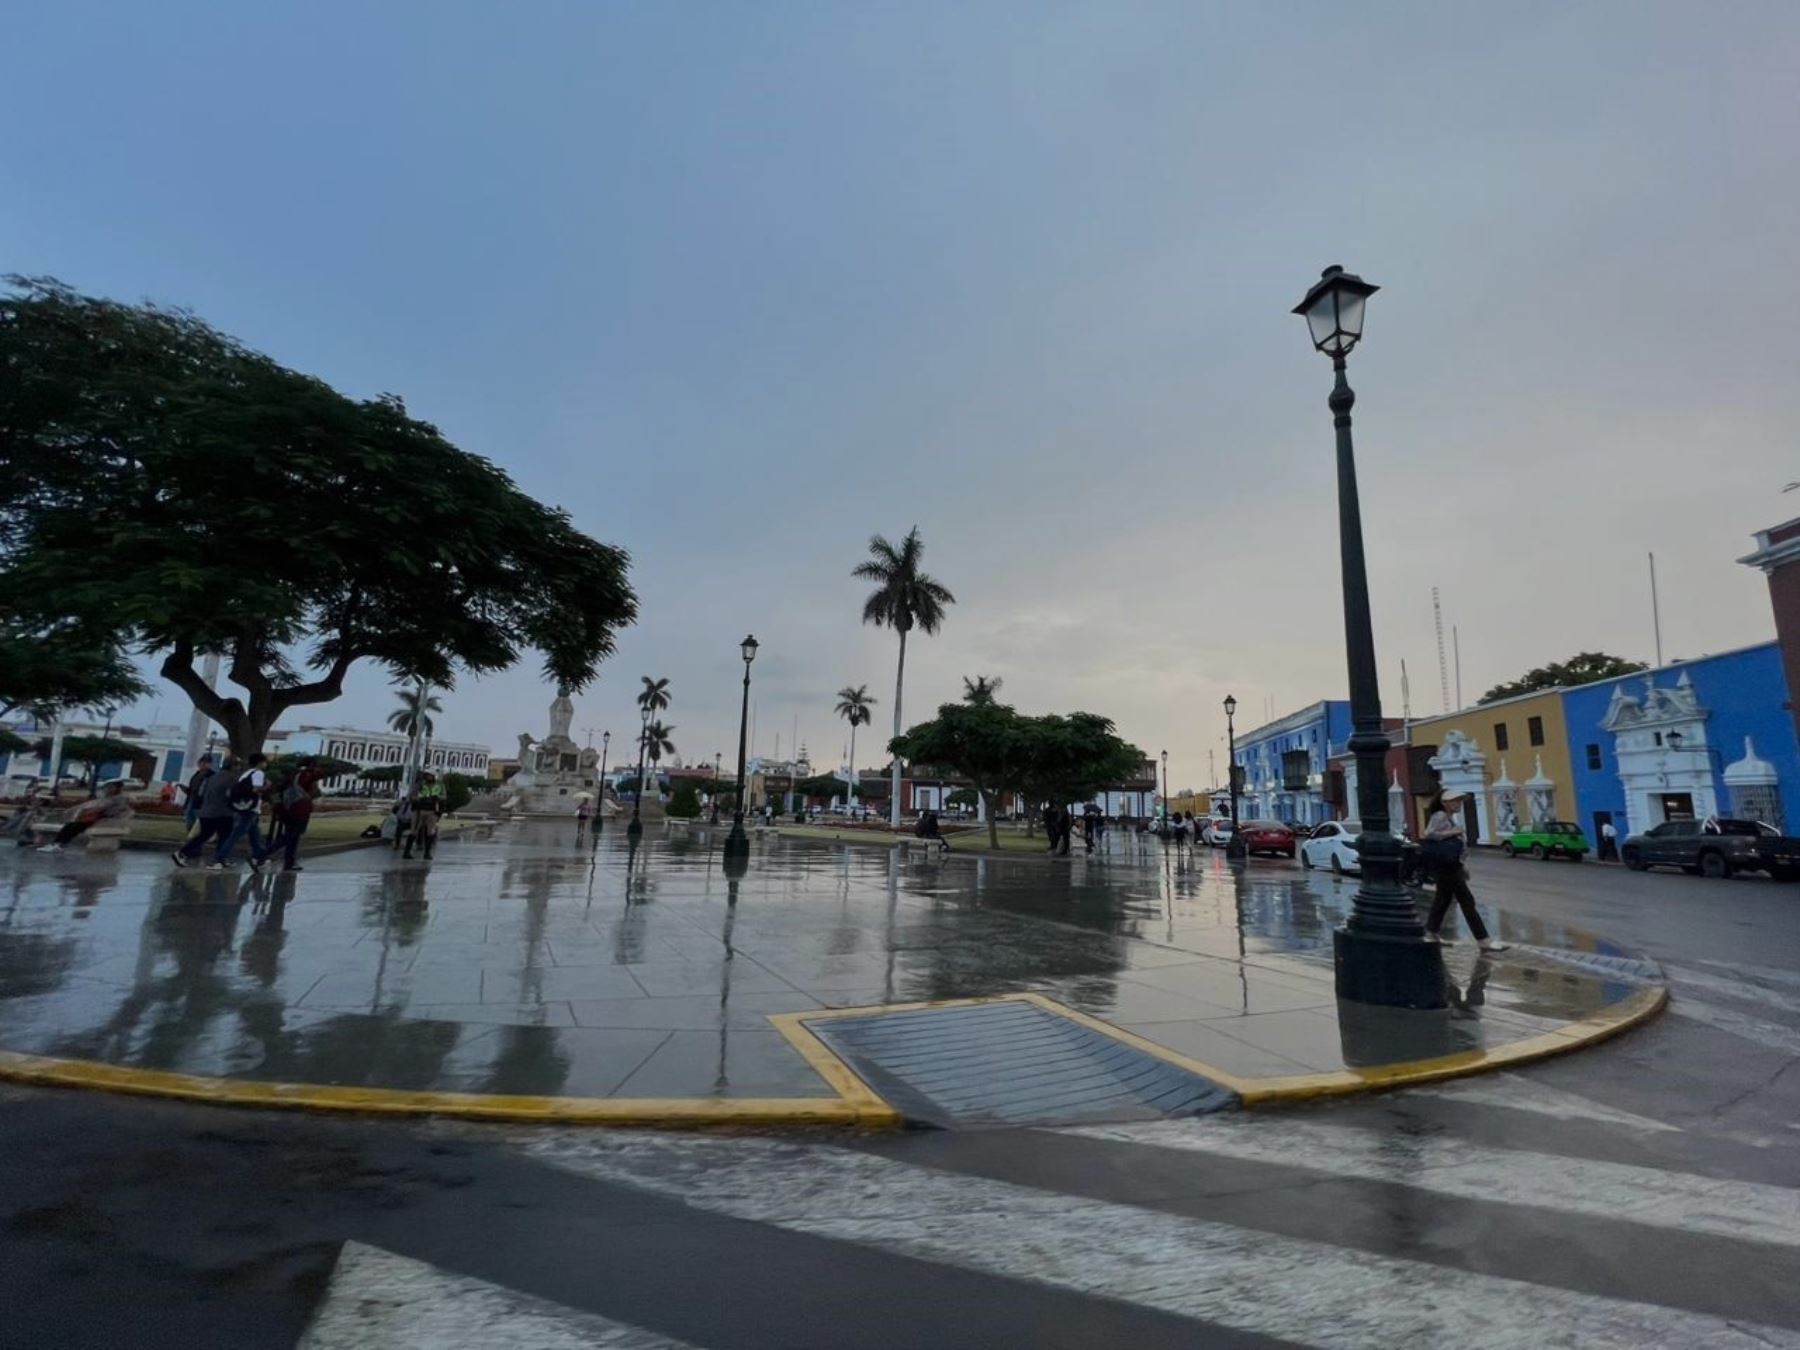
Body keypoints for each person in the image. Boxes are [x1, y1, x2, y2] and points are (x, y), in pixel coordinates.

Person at [1421, 790, 1509, 952]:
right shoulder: (1440, 815)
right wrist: (1456, 832)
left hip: (1450, 866)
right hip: (1447, 867)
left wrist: (1462, 866)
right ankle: (1483, 940)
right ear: (1445, 803)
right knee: (1467, 901)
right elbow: (1429, 834)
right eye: (1455, 801)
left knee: (1443, 899)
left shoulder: (1447, 817)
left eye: (1459, 801)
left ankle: (1431, 933)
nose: (1458, 804)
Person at [174, 756, 241, 868]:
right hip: (223, 811)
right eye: (237, 765)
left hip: (207, 811)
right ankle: (220, 859)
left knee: (204, 835)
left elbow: (201, 793)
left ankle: (182, 852)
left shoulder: (212, 777)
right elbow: (231, 795)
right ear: (233, 766)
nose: (239, 768)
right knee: (225, 835)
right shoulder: (232, 778)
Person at [213, 752, 273, 871]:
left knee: (254, 834)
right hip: (251, 808)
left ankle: (260, 857)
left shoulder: (246, 773)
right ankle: (220, 858)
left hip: (243, 806)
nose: (266, 764)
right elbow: (256, 789)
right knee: (236, 834)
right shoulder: (259, 773)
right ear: (260, 762)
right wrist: (267, 786)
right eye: (264, 762)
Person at [36, 782, 133, 851]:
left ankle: (60, 843)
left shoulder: (119, 799)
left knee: (76, 826)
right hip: (97, 818)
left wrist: (98, 809)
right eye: (109, 787)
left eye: (112, 787)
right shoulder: (110, 797)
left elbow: (108, 809)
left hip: (103, 820)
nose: (109, 789)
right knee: (70, 825)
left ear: (117, 788)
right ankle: (58, 843)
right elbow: (99, 805)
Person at [275, 757, 324, 871]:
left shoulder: (294, 774)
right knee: (292, 836)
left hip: (290, 807)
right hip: (301, 807)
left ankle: (289, 862)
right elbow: (320, 775)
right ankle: (263, 854)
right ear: (311, 765)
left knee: (292, 836)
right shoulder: (306, 775)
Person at [405, 772, 444, 861]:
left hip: (432, 810)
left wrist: (436, 798)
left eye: (430, 775)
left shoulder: (439, 785)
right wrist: (421, 798)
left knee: (430, 831)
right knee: (414, 830)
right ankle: (407, 852)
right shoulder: (420, 784)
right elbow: (411, 796)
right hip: (419, 810)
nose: (428, 777)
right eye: (427, 775)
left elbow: (444, 796)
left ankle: (427, 853)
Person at [182, 754, 215, 835]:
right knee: (190, 819)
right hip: (192, 799)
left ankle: (199, 836)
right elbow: (192, 788)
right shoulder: (196, 774)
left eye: (206, 763)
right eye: (202, 762)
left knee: (199, 821)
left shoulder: (211, 776)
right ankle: (191, 834)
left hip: (201, 802)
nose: (203, 764)